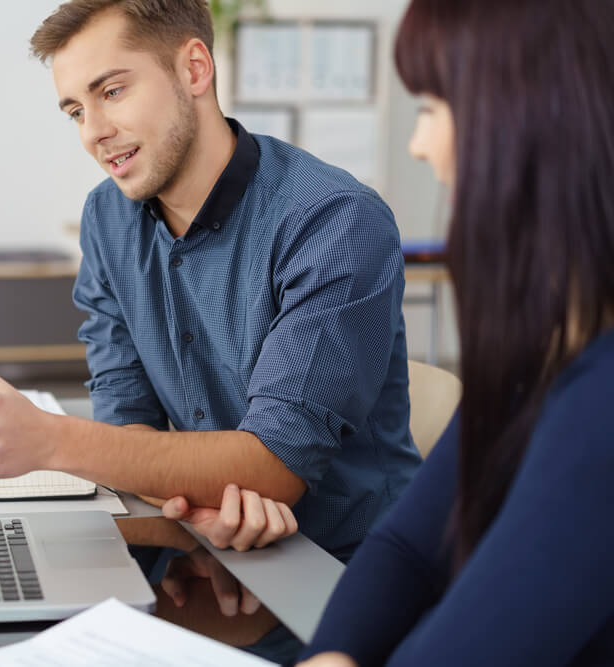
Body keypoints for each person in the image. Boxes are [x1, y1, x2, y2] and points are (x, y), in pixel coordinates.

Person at [166, 0, 614, 664]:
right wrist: (338, 654)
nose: (419, 143)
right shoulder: (541, 357)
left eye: (434, 107)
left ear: (530, 118)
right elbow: (410, 546)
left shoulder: (600, 400)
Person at [0, 0, 420, 566]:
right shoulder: (108, 218)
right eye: (75, 111)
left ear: (194, 69)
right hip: (196, 543)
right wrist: (205, 498)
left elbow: (275, 466)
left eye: (112, 92)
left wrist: (48, 440)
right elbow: (125, 418)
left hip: (345, 565)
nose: (94, 133)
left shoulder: (332, 220)